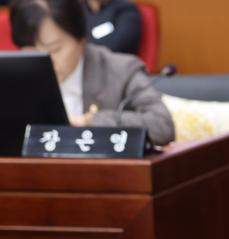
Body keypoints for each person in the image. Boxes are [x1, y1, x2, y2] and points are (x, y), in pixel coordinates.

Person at [9, 0, 174, 146]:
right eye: (31, 51)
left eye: (55, 49)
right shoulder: (13, 75)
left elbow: (162, 125)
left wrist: (90, 121)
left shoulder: (120, 70)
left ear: (81, 40)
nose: (45, 61)